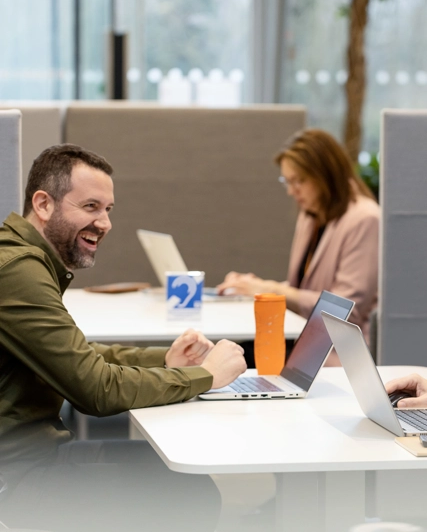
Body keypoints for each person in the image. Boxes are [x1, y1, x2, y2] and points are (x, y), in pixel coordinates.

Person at [0, 143, 247, 532]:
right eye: (90, 207)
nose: (105, 223)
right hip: (15, 476)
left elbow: (79, 355)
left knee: (167, 467)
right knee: (189, 493)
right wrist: (207, 377)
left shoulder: (26, 261)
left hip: (30, 458)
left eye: (108, 210)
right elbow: (95, 389)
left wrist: (165, 361)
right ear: (44, 204)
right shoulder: (17, 270)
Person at [217, 128, 380, 366]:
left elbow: (344, 310)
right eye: (287, 181)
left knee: (235, 363)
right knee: (226, 357)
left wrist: (270, 288)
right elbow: (303, 289)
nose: (292, 191)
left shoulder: (365, 219)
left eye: (299, 181)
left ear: (327, 175)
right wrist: (254, 288)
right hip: (301, 339)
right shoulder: (311, 214)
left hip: (334, 353)